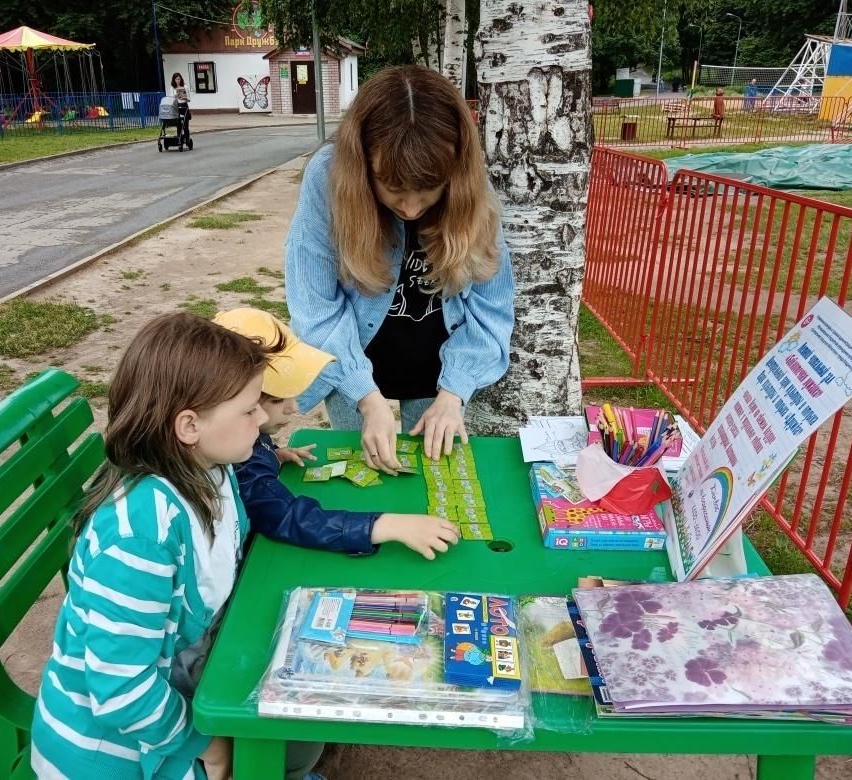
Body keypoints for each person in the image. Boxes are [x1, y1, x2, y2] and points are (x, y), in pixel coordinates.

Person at [30, 313, 326, 780]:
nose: (263, 418)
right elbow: (122, 691)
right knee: (283, 738)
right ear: (189, 426)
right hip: (117, 756)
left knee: (305, 719)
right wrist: (204, 743)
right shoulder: (139, 539)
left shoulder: (213, 470)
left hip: (179, 689)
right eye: (249, 410)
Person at [285, 64, 515, 475]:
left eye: (428, 192)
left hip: (440, 363)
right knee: (363, 472)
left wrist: (453, 394)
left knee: (432, 474)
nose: (410, 209)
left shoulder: (470, 186)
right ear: (362, 165)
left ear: (453, 173)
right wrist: (366, 398)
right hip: (347, 353)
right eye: (393, 189)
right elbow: (314, 308)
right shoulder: (327, 176)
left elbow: (490, 311)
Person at [215, 307, 461, 560]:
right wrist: (386, 526)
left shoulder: (240, 436)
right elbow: (288, 518)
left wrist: (273, 454)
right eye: (278, 400)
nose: (296, 407)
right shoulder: (242, 465)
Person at [171, 72, 191, 139]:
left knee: (186, 124)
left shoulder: (185, 87)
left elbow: (189, 99)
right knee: (179, 124)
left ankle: (187, 139)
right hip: (177, 106)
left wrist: (185, 98)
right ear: (174, 80)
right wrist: (175, 95)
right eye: (176, 79)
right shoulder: (172, 88)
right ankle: (179, 139)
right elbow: (171, 99)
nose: (178, 81)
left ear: (181, 79)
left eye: (179, 79)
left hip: (184, 105)